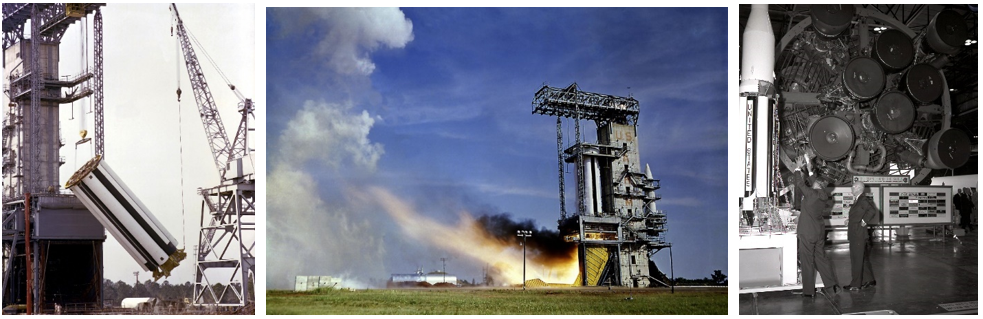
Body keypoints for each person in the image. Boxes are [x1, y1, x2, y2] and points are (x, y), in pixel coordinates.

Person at [791, 153, 841, 297]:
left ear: (817, 185)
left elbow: (800, 183)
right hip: (818, 232)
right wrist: (809, 167)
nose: (812, 182)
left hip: (807, 233)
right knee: (821, 259)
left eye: (815, 182)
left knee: (807, 261)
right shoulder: (823, 195)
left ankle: (808, 292)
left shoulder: (811, 194)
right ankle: (831, 287)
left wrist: (797, 168)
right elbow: (812, 180)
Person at [844, 181, 879, 291]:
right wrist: (850, 220)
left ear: (858, 188)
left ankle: (855, 284)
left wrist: (864, 220)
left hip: (858, 234)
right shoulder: (858, 199)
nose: (852, 188)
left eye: (853, 186)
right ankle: (870, 280)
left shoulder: (863, 199)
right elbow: (858, 214)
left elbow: (872, 211)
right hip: (856, 233)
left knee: (856, 259)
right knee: (862, 258)